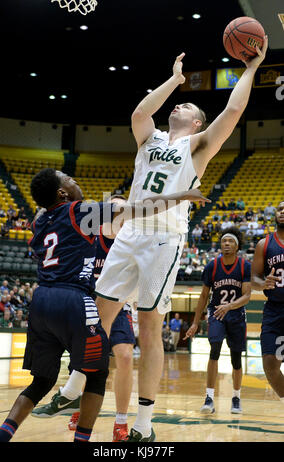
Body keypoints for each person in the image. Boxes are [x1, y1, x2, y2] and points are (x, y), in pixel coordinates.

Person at [93, 41, 267, 441]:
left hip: (163, 237)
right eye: (177, 104)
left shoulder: (199, 145)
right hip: (131, 230)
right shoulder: (149, 138)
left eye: (185, 107)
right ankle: (74, 389)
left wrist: (252, 68)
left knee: (150, 327)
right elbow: (140, 112)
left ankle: (143, 422)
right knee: (98, 315)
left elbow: (234, 111)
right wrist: (174, 81)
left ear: (196, 123)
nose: (177, 107)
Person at [0, 169, 208, 443]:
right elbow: (140, 208)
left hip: (41, 300)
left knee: (41, 381)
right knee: (97, 373)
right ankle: (82, 436)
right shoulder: (79, 211)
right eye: (70, 180)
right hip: (72, 298)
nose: (76, 181)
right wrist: (181, 196)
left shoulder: (40, 220)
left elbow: (44, 215)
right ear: (62, 193)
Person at [32, 195, 136, 443]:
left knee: (124, 355)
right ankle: (78, 407)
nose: (119, 213)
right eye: (115, 209)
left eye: (124, 210)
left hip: (120, 306)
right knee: (86, 357)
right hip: (89, 305)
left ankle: (120, 423)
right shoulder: (90, 238)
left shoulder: (131, 242)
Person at [185, 227, 251, 415]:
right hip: (216, 313)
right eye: (224, 241)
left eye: (230, 241)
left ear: (237, 246)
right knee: (214, 350)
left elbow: (247, 296)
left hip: (236, 315)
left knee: (236, 359)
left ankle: (236, 398)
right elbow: (204, 296)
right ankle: (209, 398)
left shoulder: (244, 266)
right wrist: (195, 323)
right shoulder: (212, 266)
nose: (227, 244)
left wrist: (229, 306)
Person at [251, 201, 284, 404]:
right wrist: (263, 283)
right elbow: (253, 278)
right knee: (270, 364)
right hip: (274, 311)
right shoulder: (264, 244)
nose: (283, 212)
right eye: (280, 208)